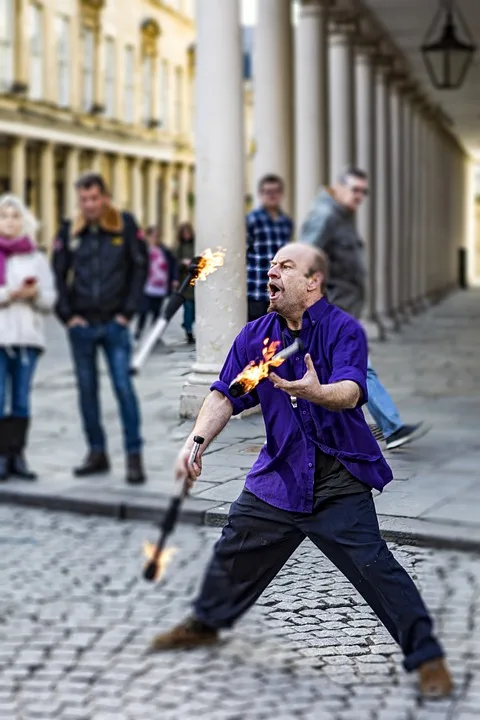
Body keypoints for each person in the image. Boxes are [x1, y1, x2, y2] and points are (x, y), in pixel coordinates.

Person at [149, 243, 452, 700]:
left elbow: (351, 390)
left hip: (337, 480)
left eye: (284, 266)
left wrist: (315, 391)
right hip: (281, 476)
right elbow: (225, 395)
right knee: (235, 547)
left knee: (375, 568)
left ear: (313, 281)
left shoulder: (341, 330)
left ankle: (428, 658)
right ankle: (206, 623)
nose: (272, 271)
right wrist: (194, 442)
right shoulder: (255, 337)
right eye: (271, 265)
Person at [300, 166, 428, 451]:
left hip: (341, 309)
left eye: (363, 191)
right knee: (359, 367)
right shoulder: (326, 217)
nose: (359, 196)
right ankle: (390, 428)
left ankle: (325, 431)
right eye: (355, 189)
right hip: (331, 310)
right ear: (339, 187)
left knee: (340, 369)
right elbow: (304, 259)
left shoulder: (340, 217)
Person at [52, 172, 148, 484]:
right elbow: (57, 273)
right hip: (81, 324)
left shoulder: (124, 224)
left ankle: (134, 456)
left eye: (94, 198)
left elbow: (139, 268)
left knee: (123, 387)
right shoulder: (70, 230)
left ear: (104, 197)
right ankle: (97, 453)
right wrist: (66, 316)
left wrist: (128, 312)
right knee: (87, 392)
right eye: (83, 199)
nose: (89, 204)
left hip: (114, 323)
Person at [0, 194, 56, 481]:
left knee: (20, 401)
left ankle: (16, 456)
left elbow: (49, 299)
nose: (10, 221)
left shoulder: (34, 257)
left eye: (15, 215)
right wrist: (9, 294)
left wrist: (35, 296)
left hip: (26, 340)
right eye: (4, 215)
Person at [247, 174, 293, 322]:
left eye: (276, 191)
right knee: (257, 337)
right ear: (261, 194)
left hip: (281, 292)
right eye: (268, 192)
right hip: (257, 291)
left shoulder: (286, 222)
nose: (272, 195)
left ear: (281, 194)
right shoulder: (252, 219)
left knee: (278, 336)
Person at [134, 225, 179, 342]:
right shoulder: (142, 249)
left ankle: (154, 336)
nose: (155, 238)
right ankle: (139, 331)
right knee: (143, 310)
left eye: (157, 236)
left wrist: (174, 278)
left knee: (157, 312)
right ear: (147, 236)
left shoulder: (163, 249)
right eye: (152, 236)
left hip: (160, 287)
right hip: (146, 286)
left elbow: (172, 264)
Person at [176, 222, 196, 344]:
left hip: (195, 282)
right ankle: (188, 330)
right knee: (188, 307)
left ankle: (187, 324)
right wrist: (182, 263)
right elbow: (175, 264)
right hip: (185, 282)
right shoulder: (180, 248)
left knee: (193, 310)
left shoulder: (195, 245)